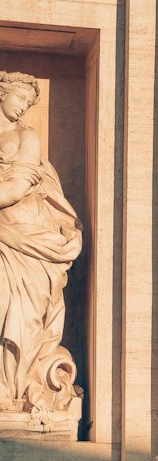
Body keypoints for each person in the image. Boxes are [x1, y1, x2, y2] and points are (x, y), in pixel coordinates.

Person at [0, 71, 83, 416]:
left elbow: (17, 188)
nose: (24, 107)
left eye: (30, 102)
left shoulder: (26, 137)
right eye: (19, 98)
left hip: (24, 228)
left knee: (22, 311)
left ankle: (12, 390)